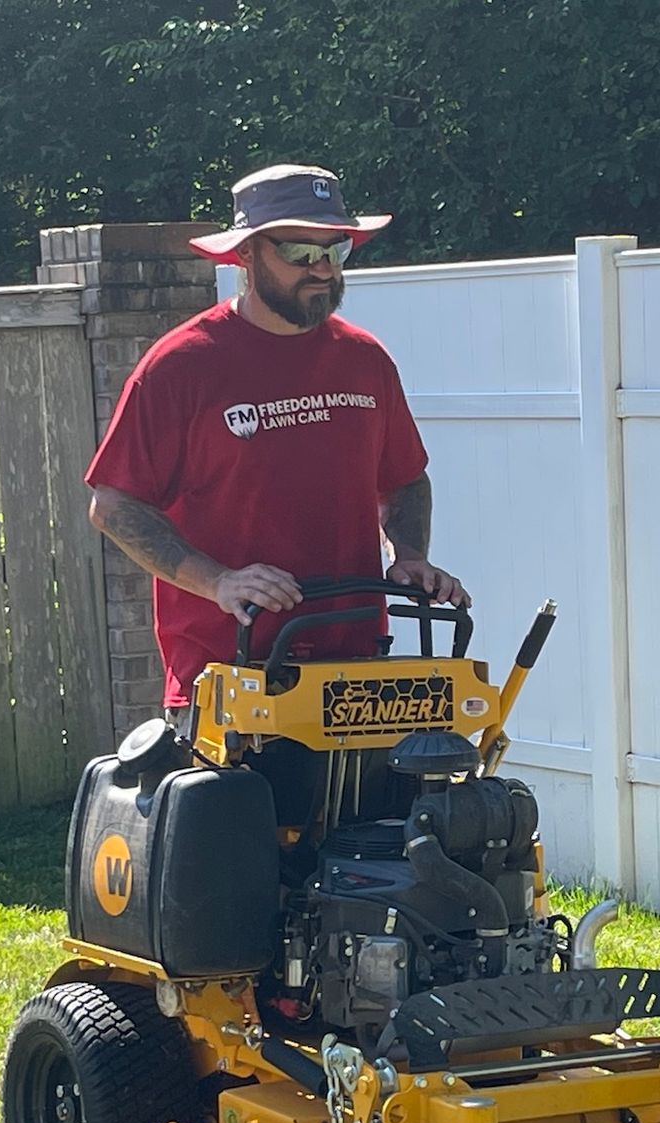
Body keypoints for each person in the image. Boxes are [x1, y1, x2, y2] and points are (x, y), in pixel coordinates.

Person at [84, 162, 469, 720]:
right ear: (245, 253)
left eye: (335, 251)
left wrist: (409, 557)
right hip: (227, 681)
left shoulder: (365, 360)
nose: (320, 269)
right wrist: (218, 581)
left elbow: (405, 479)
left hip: (356, 678)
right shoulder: (181, 366)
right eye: (297, 252)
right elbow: (113, 504)